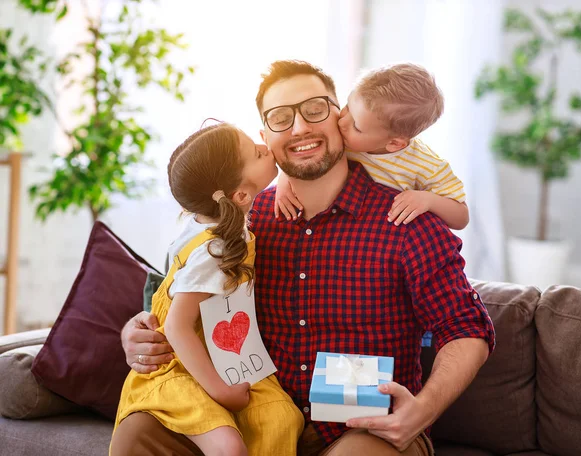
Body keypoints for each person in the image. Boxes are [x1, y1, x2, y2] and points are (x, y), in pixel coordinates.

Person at [114, 60, 495, 456]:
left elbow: (467, 328)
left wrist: (422, 411)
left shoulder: (406, 220)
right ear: (264, 138)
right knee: (138, 431)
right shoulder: (240, 226)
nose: (300, 128)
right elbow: (179, 296)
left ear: (341, 116)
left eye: (314, 109)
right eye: (281, 118)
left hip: (365, 431)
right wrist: (137, 333)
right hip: (254, 418)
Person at [110, 123, 304, 456]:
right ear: (240, 196)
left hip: (226, 356)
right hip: (182, 365)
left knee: (281, 417)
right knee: (229, 447)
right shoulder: (218, 248)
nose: (266, 147)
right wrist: (223, 393)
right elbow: (176, 325)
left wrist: (285, 177)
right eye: (258, 153)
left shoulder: (208, 218)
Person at [274, 63, 469, 231]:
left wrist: (428, 200)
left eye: (356, 127)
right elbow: (307, 156)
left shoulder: (427, 166)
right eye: (348, 107)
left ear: (394, 143)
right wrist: (286, 180)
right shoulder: (344, 137)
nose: (342, 123)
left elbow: (461, 218)